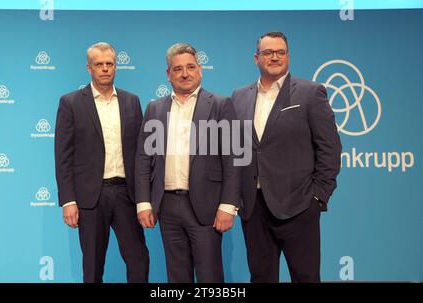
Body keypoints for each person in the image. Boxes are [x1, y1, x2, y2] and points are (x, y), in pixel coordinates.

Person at [231, 32, 342, 282]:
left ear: (288, 56)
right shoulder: (239, 96)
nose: (275, 57)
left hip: (299, 205)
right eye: (268, 52)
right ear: (256, 58)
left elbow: (330, 148)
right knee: (260, 277)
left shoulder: (310, 93)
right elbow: (234, 149)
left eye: (281, 52)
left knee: (305, 277)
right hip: (254, 207)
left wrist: (317, 196)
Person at [135, 43, 240, 283]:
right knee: (177, 276)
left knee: (209, 277)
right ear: (168, 74)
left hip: (206, 205)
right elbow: (143, 158)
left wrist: (228, 205)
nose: (185, 73)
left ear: (200, 70)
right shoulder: (155, 109)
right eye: (178, 69)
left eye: (191, 67)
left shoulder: (221, 104)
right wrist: (143, 202)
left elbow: (234, 158)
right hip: (167, 206)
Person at [54, 42, 149, 283]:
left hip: (127, 195)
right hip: (90, 198)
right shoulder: (71, 102)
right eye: (99, 64)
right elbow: (63, 156)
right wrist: (68, 200)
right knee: (93, 265)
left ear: (115, 66)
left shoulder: (131, 101)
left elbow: (141, 154)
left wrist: (144, 197)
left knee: (138, 259)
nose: (105, 69)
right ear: (89, 68)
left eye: (109, 64)